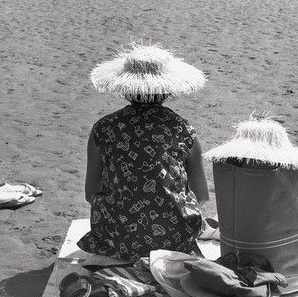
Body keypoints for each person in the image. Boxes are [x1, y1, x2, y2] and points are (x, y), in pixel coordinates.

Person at [79, 43, 209, 259]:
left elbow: (90, 192)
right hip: (175, 240)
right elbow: (201, 195)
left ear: (126, 88)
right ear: (167, 90)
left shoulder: (104, 128)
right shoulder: (182, 129)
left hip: (116, 238)